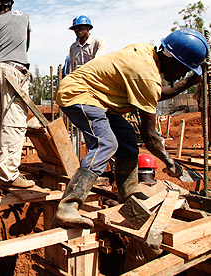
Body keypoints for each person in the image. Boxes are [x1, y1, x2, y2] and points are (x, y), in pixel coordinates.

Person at [54, 28, 209, 228]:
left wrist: (190, 81)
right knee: (105, 144)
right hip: (77, 94)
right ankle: (68, 207)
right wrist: (171, 163)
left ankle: (127, 194)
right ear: (172, 61)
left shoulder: (147, 54)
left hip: (99, 99)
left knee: (126, 137)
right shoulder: (146, 75)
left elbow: (154, 93)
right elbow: (150, 135)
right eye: (183, 70)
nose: (182, 74)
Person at [0, 0, 35, 189]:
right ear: (10, 4)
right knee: (14, 121)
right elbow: (26, 46)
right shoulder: (24, 16)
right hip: (14, 70)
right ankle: (10, 174)